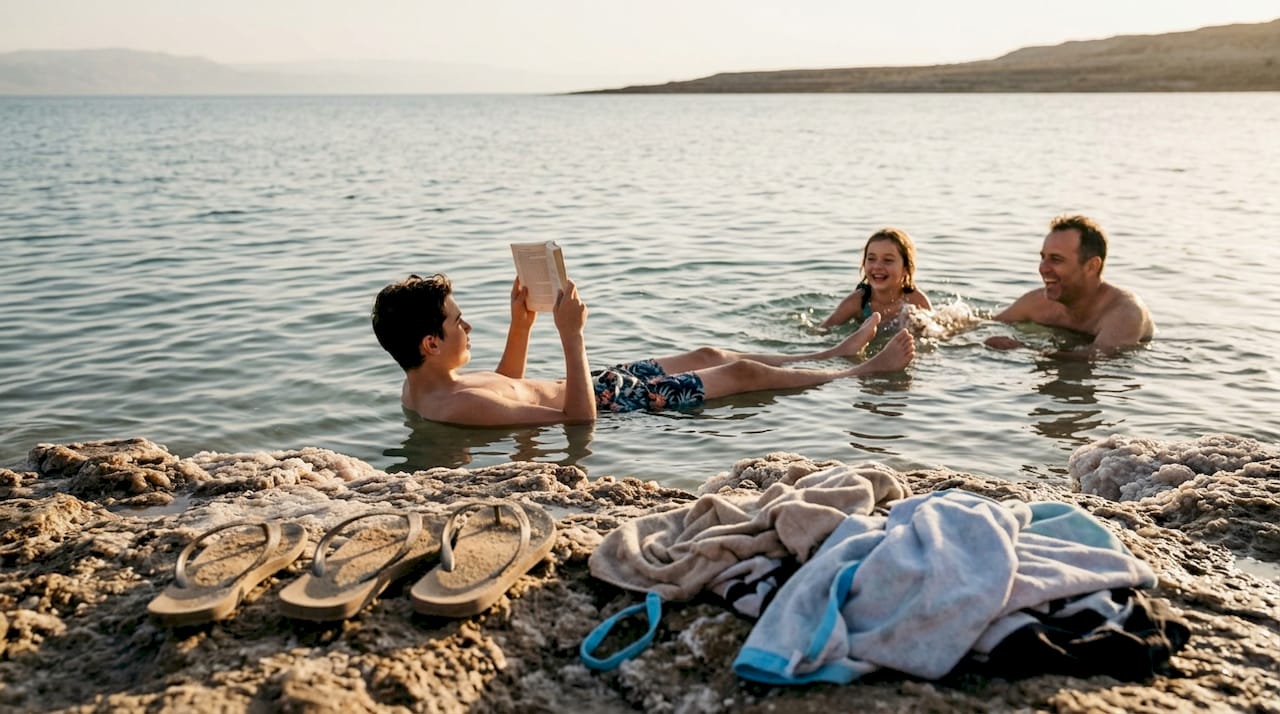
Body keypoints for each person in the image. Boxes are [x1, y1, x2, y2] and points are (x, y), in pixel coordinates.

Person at [372, 273, 915, 427]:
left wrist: (523, 325)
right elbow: (577, 421)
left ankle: (824, 357)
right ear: (430, 343)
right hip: (611, 403)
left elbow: (510, 384)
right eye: (456, 321)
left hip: (599, 383)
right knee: (743, 371)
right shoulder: (453, 407)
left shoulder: (425, 382)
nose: (467, 325)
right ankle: (860, 372)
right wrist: (571, 335)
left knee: (706, 352)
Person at [985, 215, 1154, 355]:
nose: (1042, 268)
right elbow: (989, 324)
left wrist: (1024, 349)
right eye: (1043, 257)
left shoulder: (1125, 313)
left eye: (1056, 259)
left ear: (1091, 266)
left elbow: (1098, 357)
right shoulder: (1038, 302)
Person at [820, 228, 932, 329]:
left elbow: (937, 334)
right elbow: (822, 331)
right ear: (864, 263)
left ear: (906, 268)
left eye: (888, 260)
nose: (877, 266)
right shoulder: (857, 302)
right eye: (871, 259)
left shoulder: (916, 301)